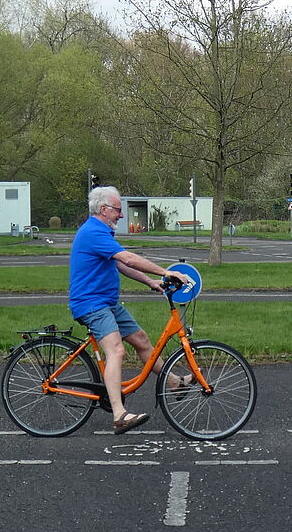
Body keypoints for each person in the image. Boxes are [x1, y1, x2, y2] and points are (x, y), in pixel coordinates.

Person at [70, 186, 191, 434]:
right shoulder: (93, 232)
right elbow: (128, 258)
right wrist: (166, 271)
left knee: (142, 340)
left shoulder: (102, 232)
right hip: (91, 304)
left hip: (107, 303)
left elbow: (120, 264)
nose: (121, 215)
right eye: (117, 210)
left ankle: (175, 384)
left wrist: (149, 281)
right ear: (104, 210)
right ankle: (119, 414)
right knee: (116, 350)